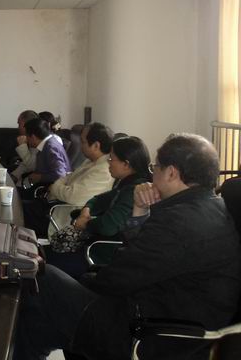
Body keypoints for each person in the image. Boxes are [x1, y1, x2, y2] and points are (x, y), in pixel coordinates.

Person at [13, 133, 241, 360]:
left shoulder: (180, 222)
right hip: (169, 323)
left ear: (171, 173)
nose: (152, 174)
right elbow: (140, 264)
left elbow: (116, 279)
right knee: (39, 325)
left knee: (42, 278)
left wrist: (85, 280)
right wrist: (140, 212)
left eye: (156, 167)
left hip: (148, 333)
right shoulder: (210, 207)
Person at [47, 136, 151, 278]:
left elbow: (108, 226)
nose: (108, 163)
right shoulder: (125, 184)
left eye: (111, 159)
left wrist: (85, 223)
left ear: (126, 164)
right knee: (43, 255)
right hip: (92, 245)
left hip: (100, 254)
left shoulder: (133, 190)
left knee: (45, 265)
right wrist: (86, 211)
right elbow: (97, 199)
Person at [48, 122, 114, 216]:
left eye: (83, 142)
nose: (80, 145)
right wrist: (62, 186)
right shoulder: (90, 161)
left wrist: (54, 187)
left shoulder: (104, 171)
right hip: (56, 206)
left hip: (66, 216)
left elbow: (72, 196)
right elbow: (68, 176)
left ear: (96, 146)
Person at [10, 110, 39, 180]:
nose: (18, 127)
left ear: (26, 124)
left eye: (19, 124)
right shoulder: (30, 137)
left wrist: (22, 146)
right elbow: (25, 164)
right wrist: (13, 176)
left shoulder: (37, 138)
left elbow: (31, 166)